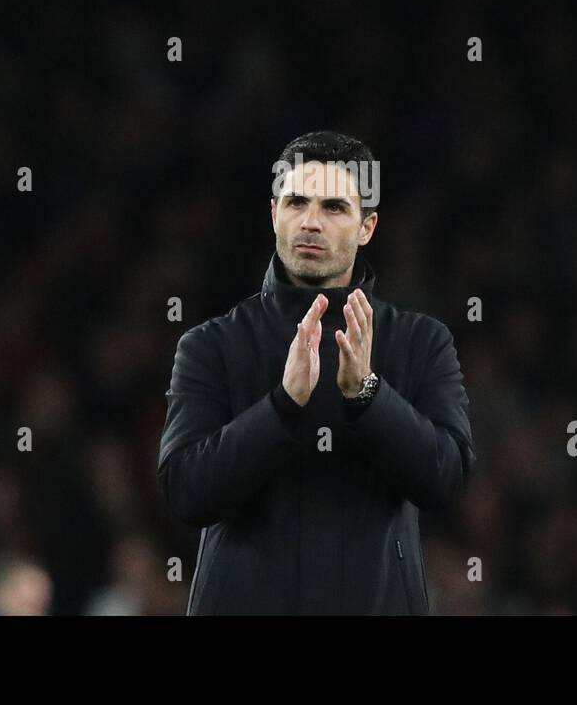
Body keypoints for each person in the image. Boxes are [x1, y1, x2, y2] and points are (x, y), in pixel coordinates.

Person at [157, 131, 474, 614]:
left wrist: (368, 396)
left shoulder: (421, 342)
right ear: (273, 213)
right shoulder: (210, 345)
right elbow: (186, 494)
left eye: (333, 207)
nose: (310, 222)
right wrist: (281, 408)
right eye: (296, 202)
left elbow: (445, 481)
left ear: (367, 227)